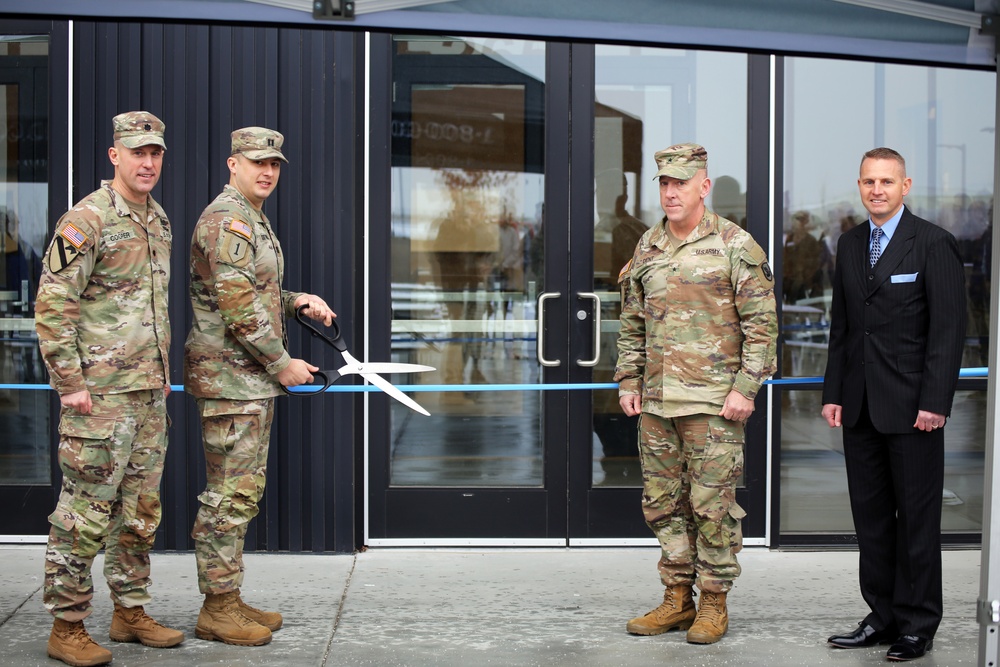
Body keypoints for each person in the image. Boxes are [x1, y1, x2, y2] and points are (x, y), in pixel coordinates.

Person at [35, 111, 183, 667]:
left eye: (156, 153)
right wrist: (69, 383)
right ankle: (67, 625)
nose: (148, 163)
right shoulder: (87, 220)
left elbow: (150, 307)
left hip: (145, 394)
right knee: (85, 509)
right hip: (97, 398)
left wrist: (161, 374)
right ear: (113, 155)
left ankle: (130, 611)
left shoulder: (158, 219)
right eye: (137, 152)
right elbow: (53, 305)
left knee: (139, 509)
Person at [615, 143, 777, 644]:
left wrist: (746, 390)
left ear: (703, 186)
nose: (670, 192)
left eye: (680, 183)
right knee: (663, 504)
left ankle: (713, 604)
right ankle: (676, 599)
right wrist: (627, 379)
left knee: (712, 507)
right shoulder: (647, 246)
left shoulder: (735, 245)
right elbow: (631, 322)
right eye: (664, 183)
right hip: (657, 404)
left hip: (714, 405)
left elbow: (763, 327)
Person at [184, 127, 335, 646]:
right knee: (228, 496)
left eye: (273, 164)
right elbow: (236, 305)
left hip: (244, 379)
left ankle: (228, 596)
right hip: (232, 380)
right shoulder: (228, 219)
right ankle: (217, 609)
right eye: (256, 163)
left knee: (241, 492)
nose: (267, 171)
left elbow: (254, 289)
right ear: (233, 163)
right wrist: (282, 362)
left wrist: (296, 299)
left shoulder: (251, 217)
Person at [822, 147, 966, 662]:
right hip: (859, 408)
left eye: (887, 181)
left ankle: (918, 623)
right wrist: (834, 392)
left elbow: (948, 332)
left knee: (918, 522)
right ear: (859, 187)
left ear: (906, 186)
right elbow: (843, 327)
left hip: (913, 410)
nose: (876, 190)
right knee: (873, 520)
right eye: (868, 182)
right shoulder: (852, 243)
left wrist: (935, 401)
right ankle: (882, 615)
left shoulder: (933, 243)